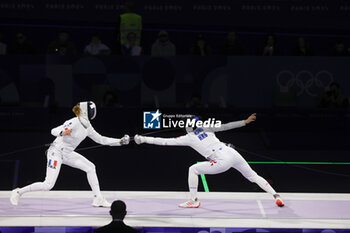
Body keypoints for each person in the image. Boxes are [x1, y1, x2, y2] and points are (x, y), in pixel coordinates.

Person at [134, 114, 284, 208]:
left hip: (221, 160)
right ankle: (276, 196)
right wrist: (244, 122)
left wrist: (143, 139)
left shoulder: (188, 138)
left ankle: (194, 201)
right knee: (252, 175)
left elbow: (164, 142)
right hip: (231, 152)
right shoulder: (207, 127)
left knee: (193, 169)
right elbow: (227, 126)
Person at [10, 101, 130, 207]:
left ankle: (98, 198)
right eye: (91, 110)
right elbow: (53, 131)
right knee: (48, 185)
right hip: (55, 152)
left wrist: (119, 141)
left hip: (67, 154)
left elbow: (102, 140)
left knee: (90, 167)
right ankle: (18, 192)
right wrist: (62, 132)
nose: (93, 112)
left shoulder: (88, 127)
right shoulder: (73, 122)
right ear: (85, 112)